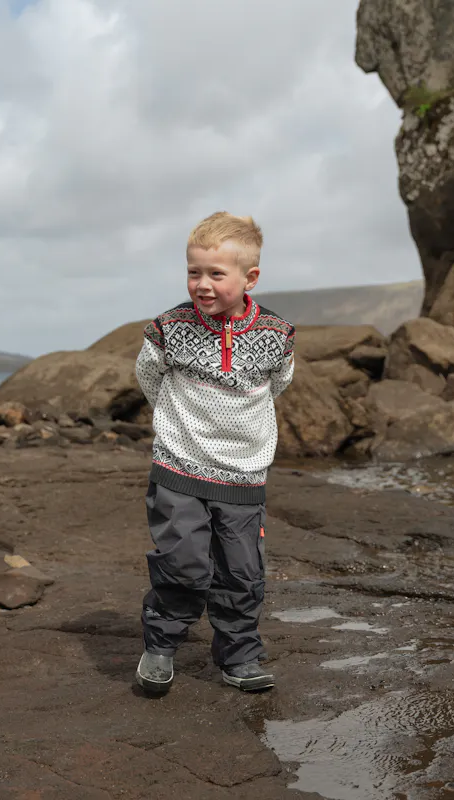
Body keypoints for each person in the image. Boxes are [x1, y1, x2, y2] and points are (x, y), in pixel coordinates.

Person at [132, 211, 295, 694]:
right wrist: (178, 426)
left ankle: (240, 655)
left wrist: (241, 430)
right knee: (182, 563)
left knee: (242, 573)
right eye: (193, 272)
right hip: (178, 467)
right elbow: (149, 377)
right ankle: (161, 646)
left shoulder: (277, 334)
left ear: (250, 277)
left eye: (215, 274)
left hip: (243, 477)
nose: (201, 284)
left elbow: (278, 384)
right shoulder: (170, 327)